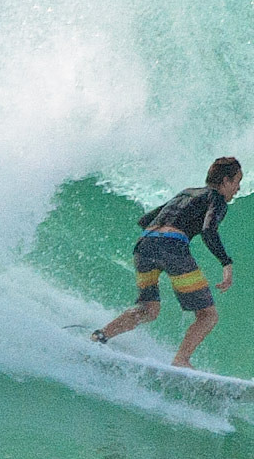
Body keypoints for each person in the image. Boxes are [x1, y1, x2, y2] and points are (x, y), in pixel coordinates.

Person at [91, 157, 242, 368]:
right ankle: (181, 360)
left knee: (148, 309)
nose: (238, 189)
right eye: (237, 182)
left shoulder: (186, 193)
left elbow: (145, 220)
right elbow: (209, 230)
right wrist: (226, 263)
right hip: (172, 247)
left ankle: (100, 336)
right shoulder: (216, 199)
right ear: (225, 181)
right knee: (207, 315)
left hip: (144, 245)